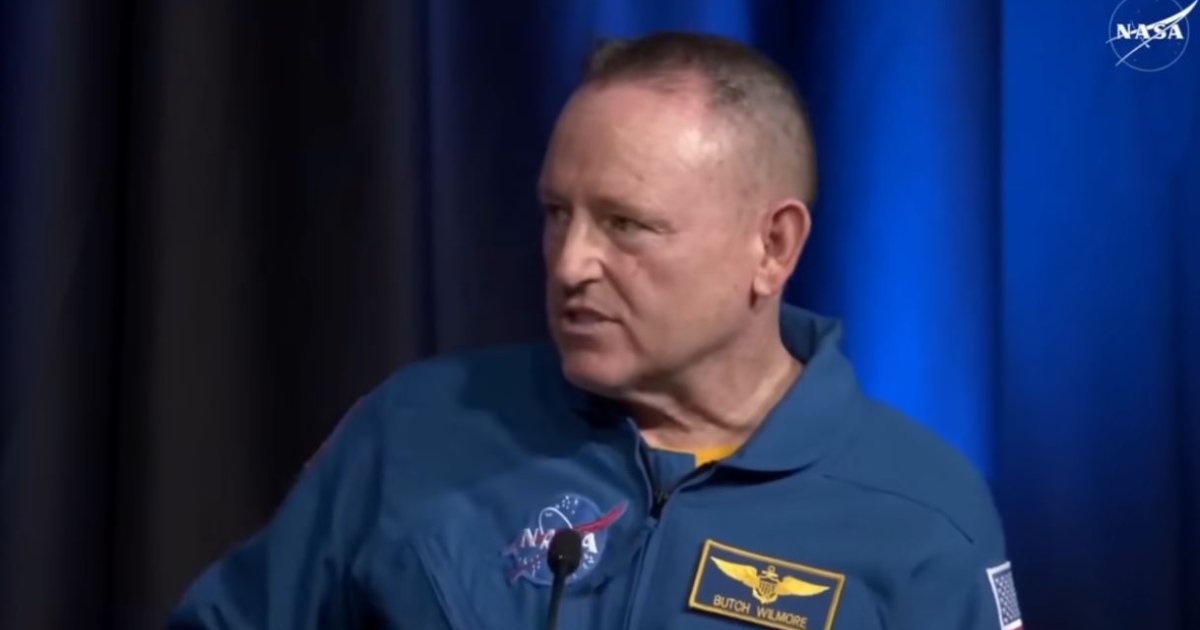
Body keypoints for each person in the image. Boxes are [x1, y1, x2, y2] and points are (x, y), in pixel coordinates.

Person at [168, 31, 1022, 630]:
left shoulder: (923, 515)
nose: (572, 262)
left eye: (626, 224)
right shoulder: (415, 431)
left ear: (773, 246)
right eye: (556, 214)